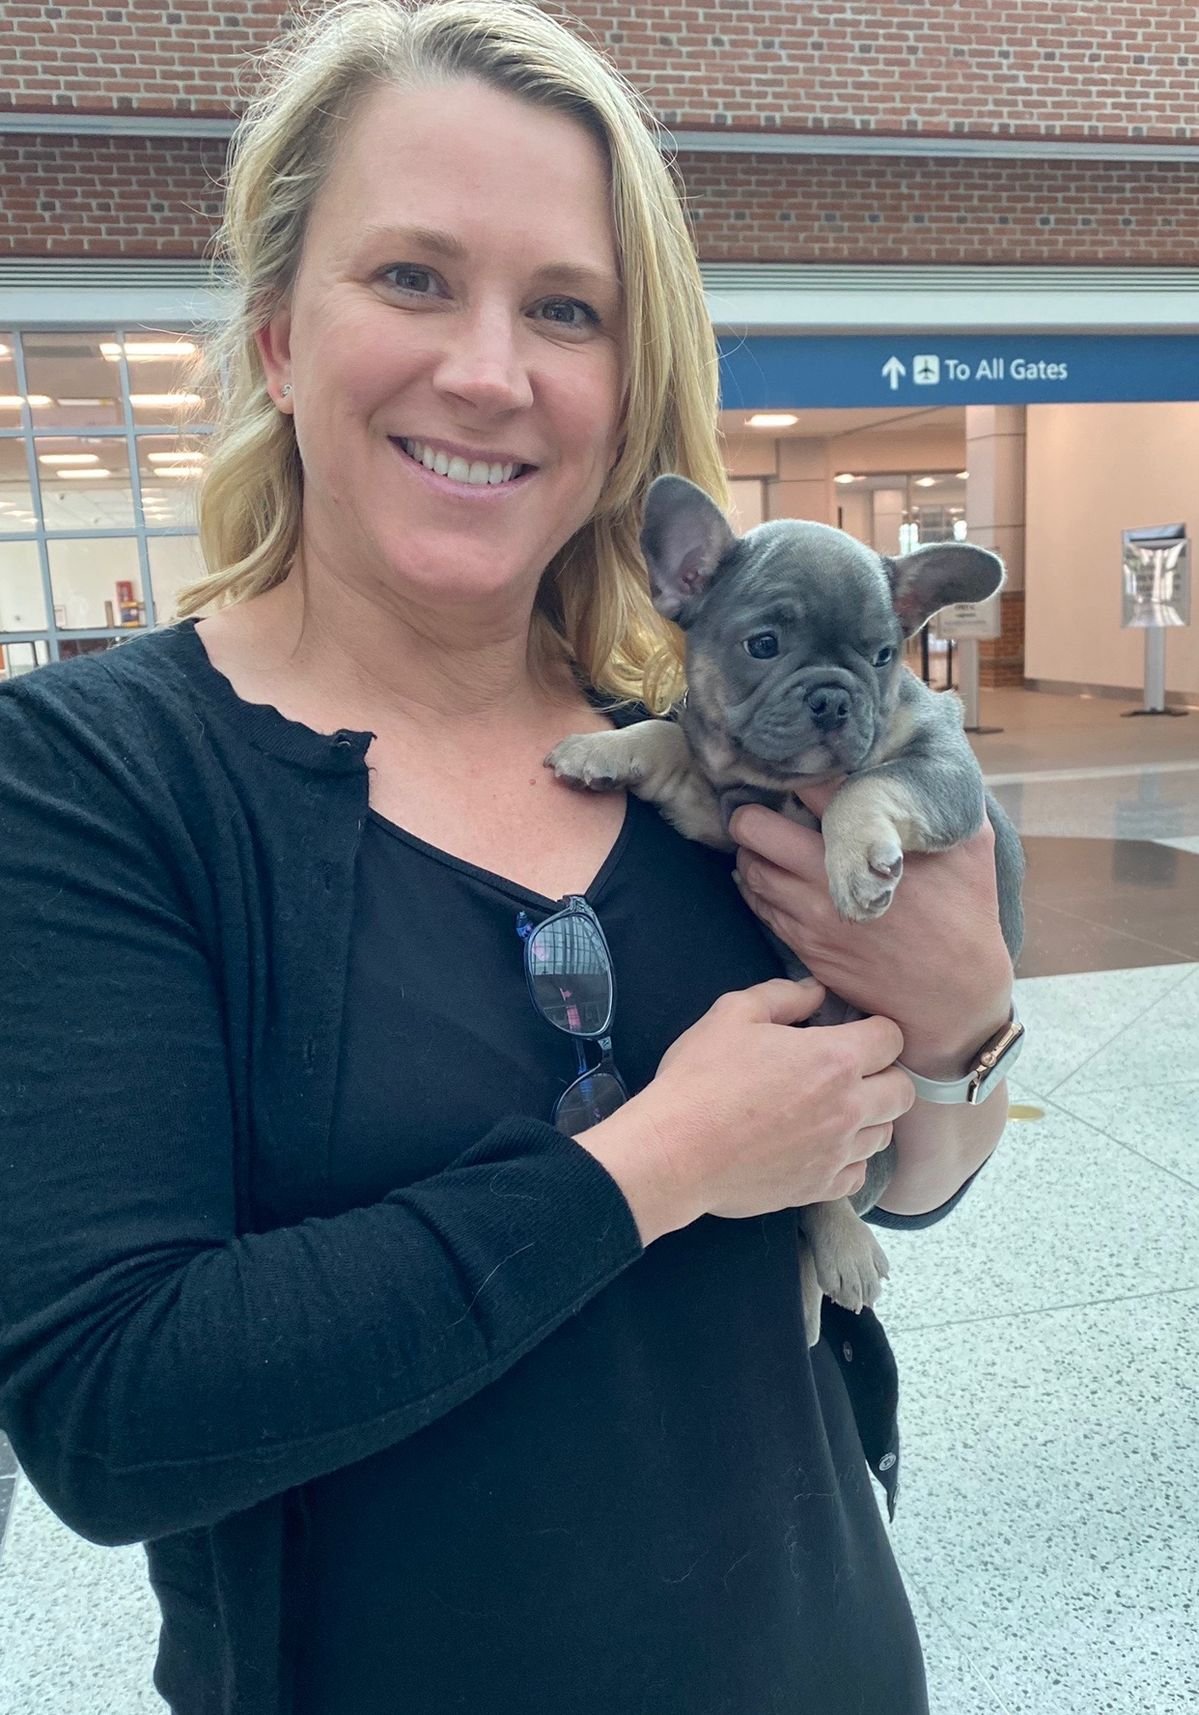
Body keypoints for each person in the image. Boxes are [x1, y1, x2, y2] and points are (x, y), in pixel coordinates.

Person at [0, 3, 1017, 1711]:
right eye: (412, 277)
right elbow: (112, 1417)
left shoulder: (707, 752)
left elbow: (909, 1180)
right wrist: (656, 1163)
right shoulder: (94, 779)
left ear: (625, 393)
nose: (489, 370)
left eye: (565, 308)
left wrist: (967, 1020)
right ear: (277, 338)